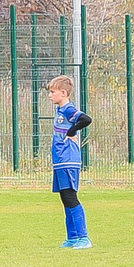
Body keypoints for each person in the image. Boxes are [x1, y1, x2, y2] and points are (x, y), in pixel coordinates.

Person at [49, 75, 93, 249]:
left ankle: (84, 237)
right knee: (64, 199)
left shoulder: (68, 109)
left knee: (70, 197)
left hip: (69, 160)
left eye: (53, 92)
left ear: (63, 92)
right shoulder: (60, 111)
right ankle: (73, 238)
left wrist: (72, 131)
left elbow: (86, 119)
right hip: (60, 161)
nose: (50, 95)